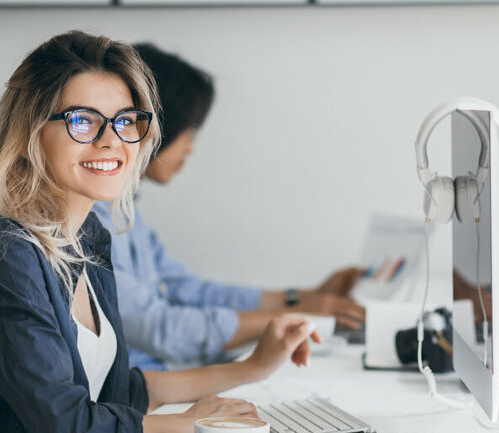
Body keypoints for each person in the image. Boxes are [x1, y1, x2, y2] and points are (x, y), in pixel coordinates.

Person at [0, 31, 320, 433]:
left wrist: (253, 367)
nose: (112, 139)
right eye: (82, 120)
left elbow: (119, 390)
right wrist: (193, 423)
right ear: (28, 135)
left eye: (126, 120)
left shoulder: (86, 239)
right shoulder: (3, 252)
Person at [92, 43, 366, 370]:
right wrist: (296, 316)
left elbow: (192, 291)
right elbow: (159, 328)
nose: (191, 146)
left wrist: (303, 298)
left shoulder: (127, 215)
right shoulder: (90, 221)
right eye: (189, 130)